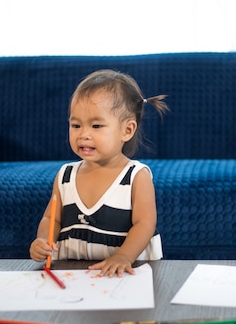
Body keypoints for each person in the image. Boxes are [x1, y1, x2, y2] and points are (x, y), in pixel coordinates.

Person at [29, 69, 169, 277]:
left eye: (96, 126)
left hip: (123, 274)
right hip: (72, 274)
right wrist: (42, 240)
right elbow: (52, 218)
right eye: (76, 125)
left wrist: (123, 256)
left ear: (127, 130)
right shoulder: (65, 175)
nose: (84, 134)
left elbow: (145, 224)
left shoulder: (135, 176)